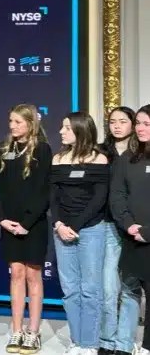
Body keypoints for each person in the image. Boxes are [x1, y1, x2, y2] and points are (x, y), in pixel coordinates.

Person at [0, 104, 52, 354]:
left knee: (32, 276)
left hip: (33, 224)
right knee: (16, 273)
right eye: (10, 121)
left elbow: (43, 191)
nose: (12, 126)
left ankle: (33, 332)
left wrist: (26, 223)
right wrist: (3, 218)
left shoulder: (43, 149)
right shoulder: (3, 150)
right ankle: (16, 330)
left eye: (18, 122)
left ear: (31, 123)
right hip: (9, 223)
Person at [50, 112, 108, 355]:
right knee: (71, 290)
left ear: (80, 130)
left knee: (90, 290)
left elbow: (99, 199)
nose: (61, 132)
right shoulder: (57, 159)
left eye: (66, 128)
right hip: (62, 230)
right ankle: (76, 341)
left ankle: (90, 344)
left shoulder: (100, 160)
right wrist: (60, 225)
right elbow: (53, 197)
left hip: (92, 229)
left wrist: (76, 226)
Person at [110, 104, 150, 355]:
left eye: (147, 124)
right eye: (139, 123)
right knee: (132, 291)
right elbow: (118, 194)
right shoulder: (129, 157)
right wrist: (129, 224)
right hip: (133, 237)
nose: (140, 128)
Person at [99, 106, 137, 355]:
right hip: (109, 224)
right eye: (113, 121)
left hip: (136, 227)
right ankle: (107, 340)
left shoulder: (141, 153)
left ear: (133, 124)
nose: (117, 126)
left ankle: (124, 343)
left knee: (130, 286)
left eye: (123, 121)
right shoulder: (101, 153)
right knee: (108, 286)